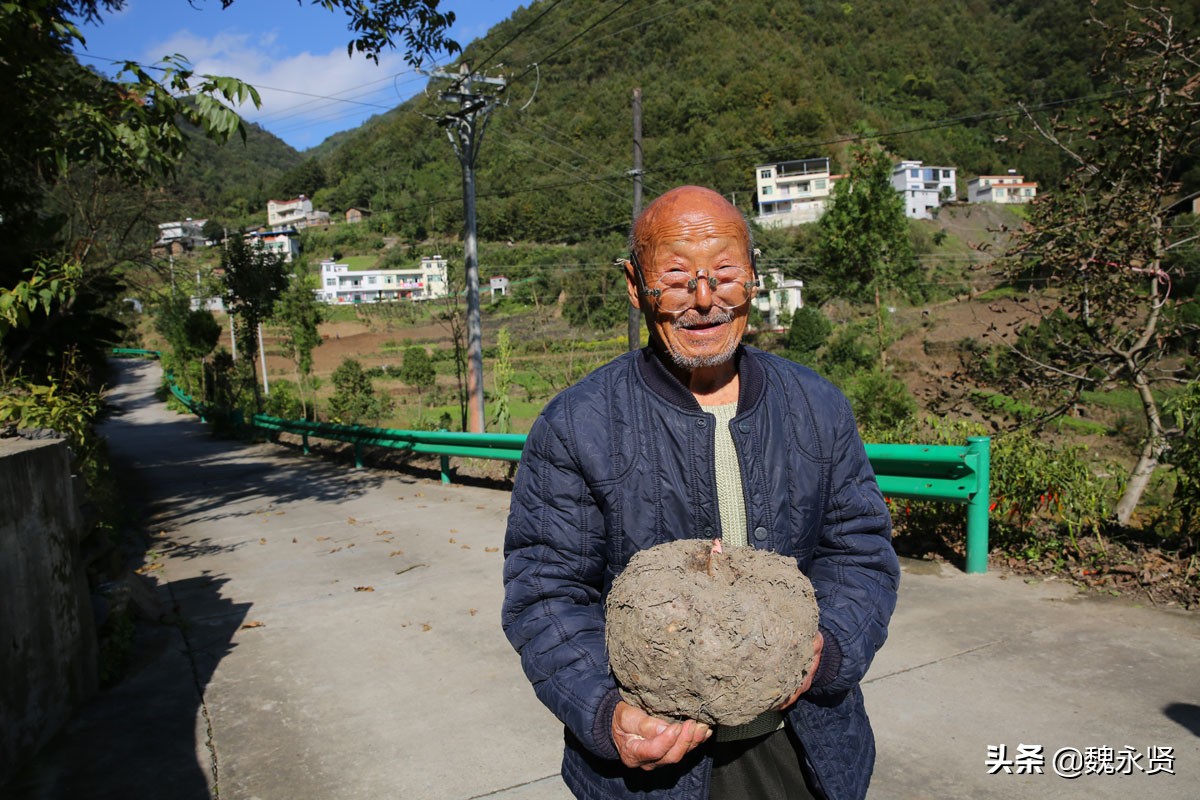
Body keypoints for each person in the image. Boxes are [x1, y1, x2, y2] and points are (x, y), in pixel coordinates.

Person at [501, 185, 899, 800]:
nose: (704, 300)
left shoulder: (817, 406)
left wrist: (829, 651)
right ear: (636, 287)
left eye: (725, 274)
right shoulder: (575, 424)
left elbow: (860, 551)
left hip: (803, 744)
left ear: (754, 279)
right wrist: (607, 713)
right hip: (657, 773)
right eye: (678, 278)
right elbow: (545, 593)